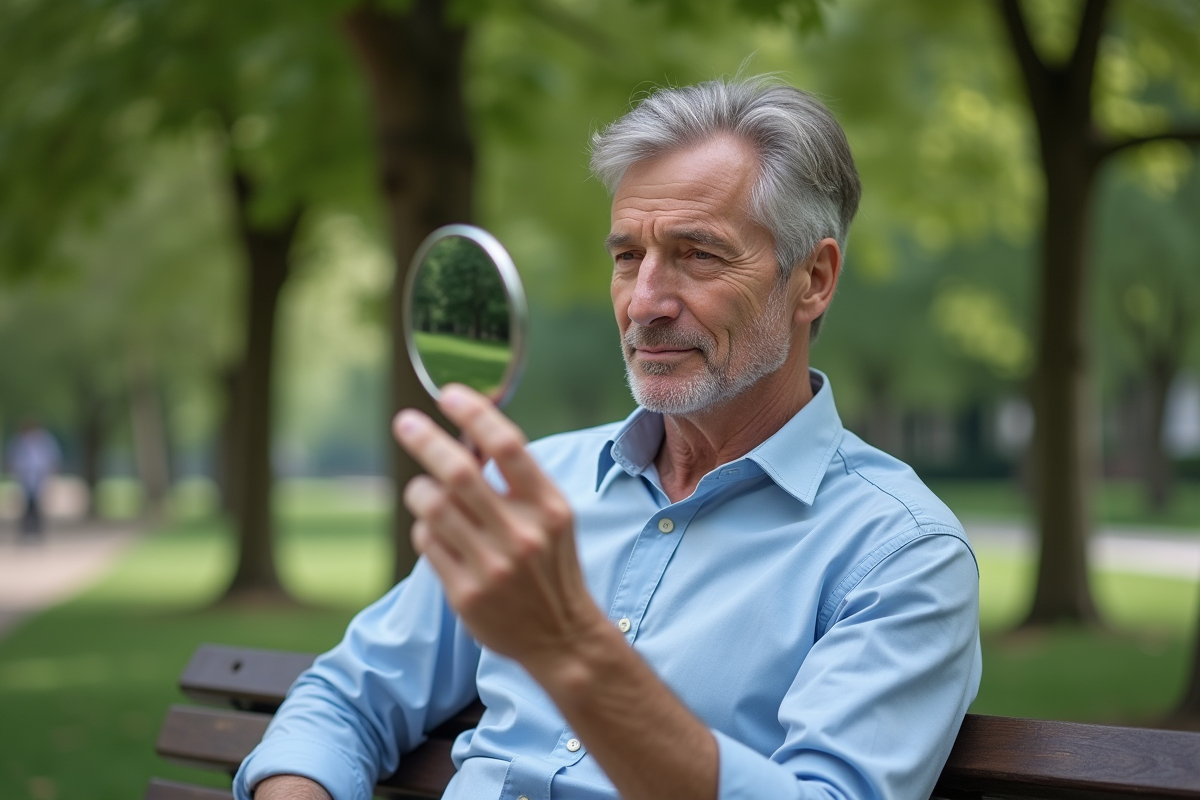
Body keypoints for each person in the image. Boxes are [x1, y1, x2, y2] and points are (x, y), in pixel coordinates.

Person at [237, 77, 981, 800]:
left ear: (813, 279)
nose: (645, 303)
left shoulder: (900, 554)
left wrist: (570, 647)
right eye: (628, 257)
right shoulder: (531, 482)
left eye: (698, 254)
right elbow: (345, 698)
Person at [7, 419, 61, 541]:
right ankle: (25, 532)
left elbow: (52, 458)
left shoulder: (45, 440)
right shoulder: (20, 442)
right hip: (25, 477)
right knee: (26, 505)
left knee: (39, 505)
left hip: (41, 477)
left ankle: (38, 533)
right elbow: (14, 459)